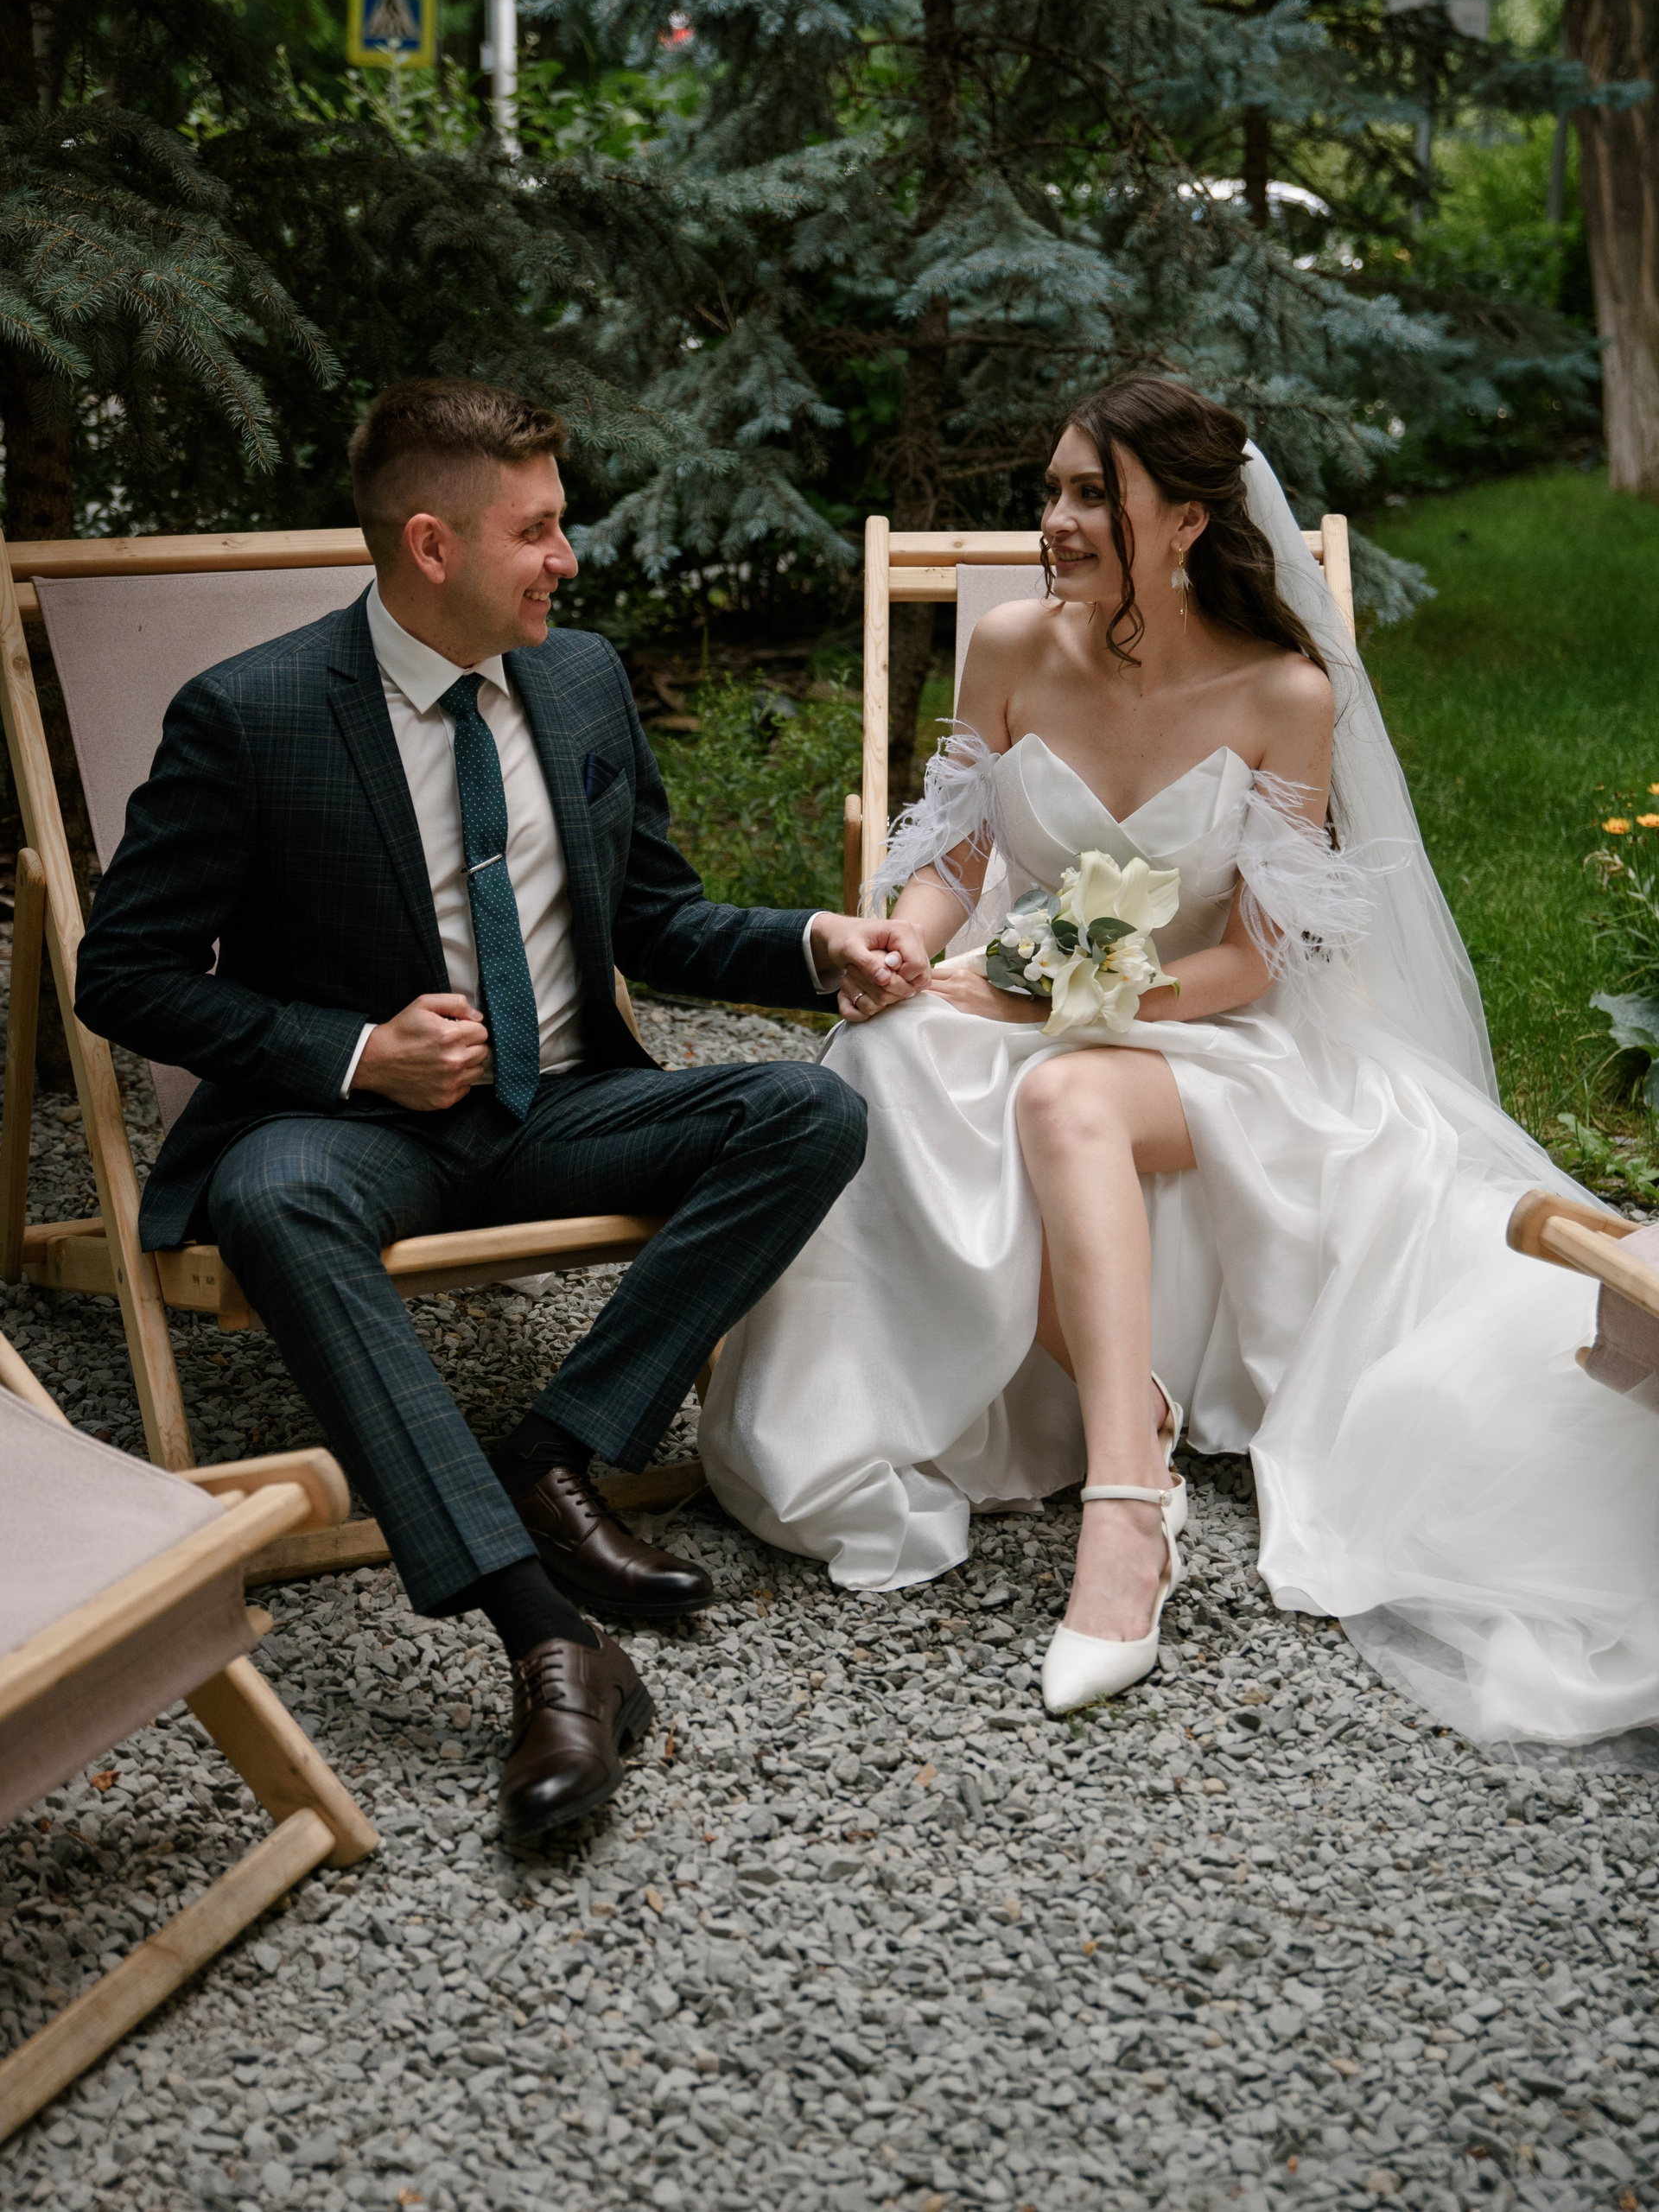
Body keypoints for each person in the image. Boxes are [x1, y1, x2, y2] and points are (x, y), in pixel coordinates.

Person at [701, 375, 1659, 1754]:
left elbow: (1254, 962)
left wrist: (1066, 996)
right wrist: (908, 942)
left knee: (1065, 1092)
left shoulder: (1283, 693)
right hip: (1041, 992)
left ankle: (1123, 1519)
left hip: (1215, 1037)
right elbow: (957, 859)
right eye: (1051, 490)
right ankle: (1127, 1413)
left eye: (1095, 495)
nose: (1055, 520)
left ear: (1190, 522)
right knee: (885, 1043)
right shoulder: (1011, 647)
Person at [75, 377, 928, 1840]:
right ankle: (546, 1633)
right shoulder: (252, 713)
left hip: (563, 1109)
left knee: (807, 1116)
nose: (567, 559)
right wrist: (360, 1053)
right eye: (536, 531)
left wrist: (812, 943)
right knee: (271, 1196)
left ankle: (549, 1455)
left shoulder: (581, 681)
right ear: (432, 545)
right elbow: (125, 975)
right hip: (354, 1132)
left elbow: (652, 920)